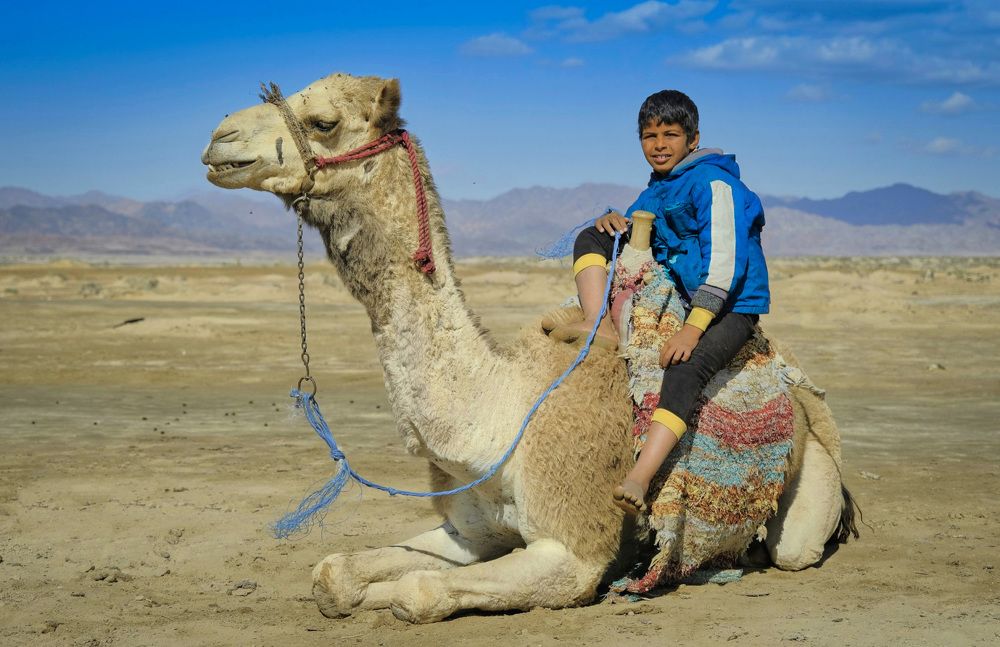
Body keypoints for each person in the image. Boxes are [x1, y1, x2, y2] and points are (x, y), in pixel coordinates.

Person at [549, 89, 771, 514]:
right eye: (649, 136)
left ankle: (641, 476)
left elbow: (725, 267)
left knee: (685, 367)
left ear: (693, 138)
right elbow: (636, 235)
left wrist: (692, 329)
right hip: (686, 295)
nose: (659, 145)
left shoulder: (715, 184)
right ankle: (599, 323)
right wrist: (612, 222)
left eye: (670, 135)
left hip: (731, 304)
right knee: (592, 235)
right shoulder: (657, 189)